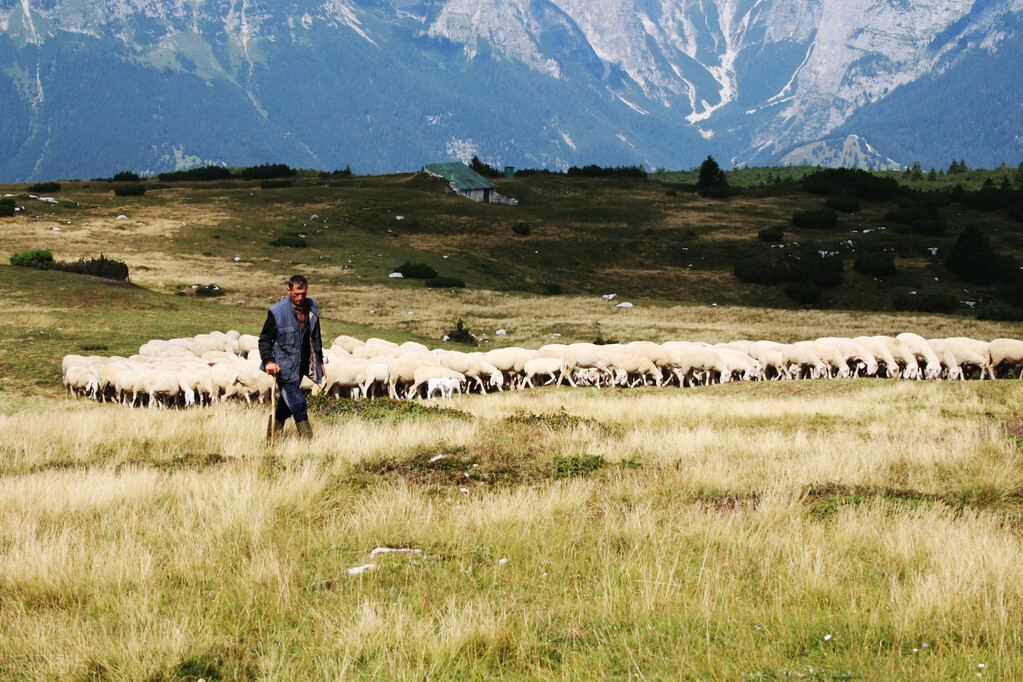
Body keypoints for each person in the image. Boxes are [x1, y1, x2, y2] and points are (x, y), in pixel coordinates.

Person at [259, 275, 325, 441]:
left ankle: (272, 440)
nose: (300, 297)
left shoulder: (311, 307)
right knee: (298, 402)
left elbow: (315, 336)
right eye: (296, 294)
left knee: (286, 405)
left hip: (302, 365)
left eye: (303, 293)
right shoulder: (277, 311)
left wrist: (320, 360)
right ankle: (308, 442)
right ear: (289, 291)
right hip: (283, 367)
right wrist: (269, 361)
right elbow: (265, 339)